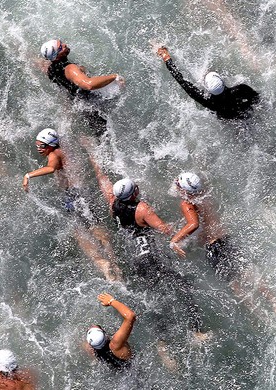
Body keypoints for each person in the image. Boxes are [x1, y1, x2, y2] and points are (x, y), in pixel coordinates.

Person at [86, 145, 207, 339]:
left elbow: (103, 181)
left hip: (134, 258)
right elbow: (165, 230)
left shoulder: (113, 204)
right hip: (150, 256)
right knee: (183, 287)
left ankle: (162, 342)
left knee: (155, 299)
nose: (138, 188)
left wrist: (94, 160)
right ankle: (197, 331)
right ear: (133, 195)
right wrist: (179, 226)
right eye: (135, 188)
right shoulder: (142, 209)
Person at [169, 172, 276, 312]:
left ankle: (260, 315)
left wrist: (174, 240)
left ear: (185, 190)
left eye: (178, 184)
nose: (176, 185)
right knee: (248, 272)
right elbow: (208, 222)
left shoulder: (186, 203)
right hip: (225, 238)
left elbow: (193, 224)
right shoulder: (204, 194)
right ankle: (275, 303)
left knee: (234, 284)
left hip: (214, 247)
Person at [22, 129, 121, 281]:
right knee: (96, 227)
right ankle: (115, 263)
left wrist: (28, 175)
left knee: (79, 233)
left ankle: (102, 263)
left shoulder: (53, 155)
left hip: (73, 196)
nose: (38, 148)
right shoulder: (64, 151)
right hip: (83, 192)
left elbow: (51, 168)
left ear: (50, 145)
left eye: (41, 145)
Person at [40, 39, 122, 136]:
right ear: (56, 55)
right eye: (61, 47)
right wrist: (114, 77)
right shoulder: (70, 69)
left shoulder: (51, 70)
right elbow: (88, 84)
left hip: (84, 108)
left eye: (61, 42)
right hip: (95, 105)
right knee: (112, 132)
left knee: (104, 135)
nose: (65, 44)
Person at [157, 46, 259, 120]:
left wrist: (166, 57)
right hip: (247, 114)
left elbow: (181, 80)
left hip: (229, 121)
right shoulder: (239, 90)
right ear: (222, 82)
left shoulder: (207, 101)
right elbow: (257, 99)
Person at [83, 293, 135, 371]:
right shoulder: (115, 345)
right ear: (104, 332)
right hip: (136, 372)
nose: (91, 326)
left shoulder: (90, 349)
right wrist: (111, 301)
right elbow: (131, 316)